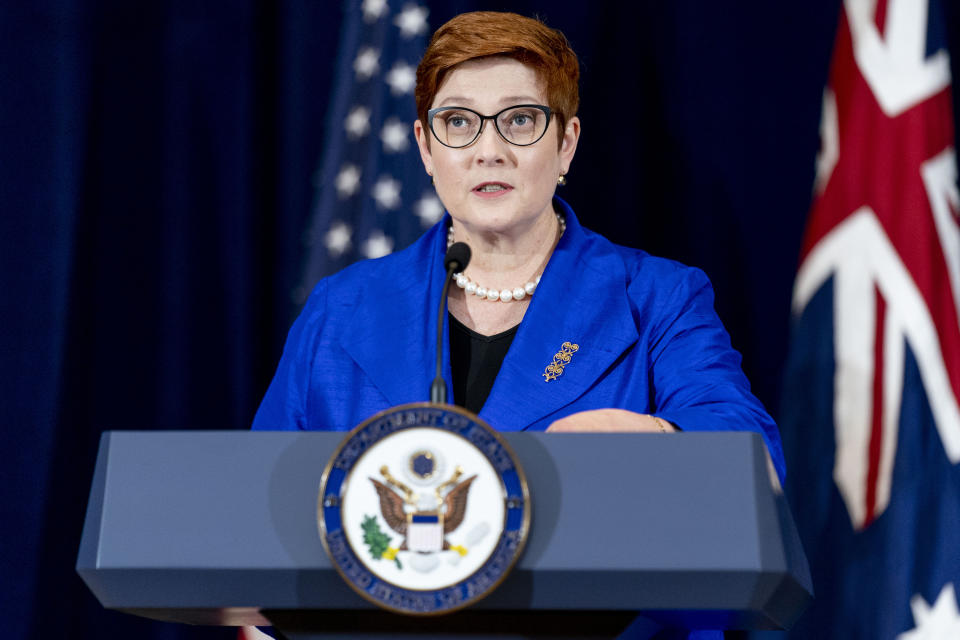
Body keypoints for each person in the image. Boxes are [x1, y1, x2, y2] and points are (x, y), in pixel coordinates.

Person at [251, 11, 785, 640]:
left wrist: (660, 439)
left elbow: (755, 465)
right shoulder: (342, 309)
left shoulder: (656, 298)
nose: (488, 149)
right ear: (425, 147)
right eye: (457, 123)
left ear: (567, 143)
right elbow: (262, 516)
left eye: (521, 120)